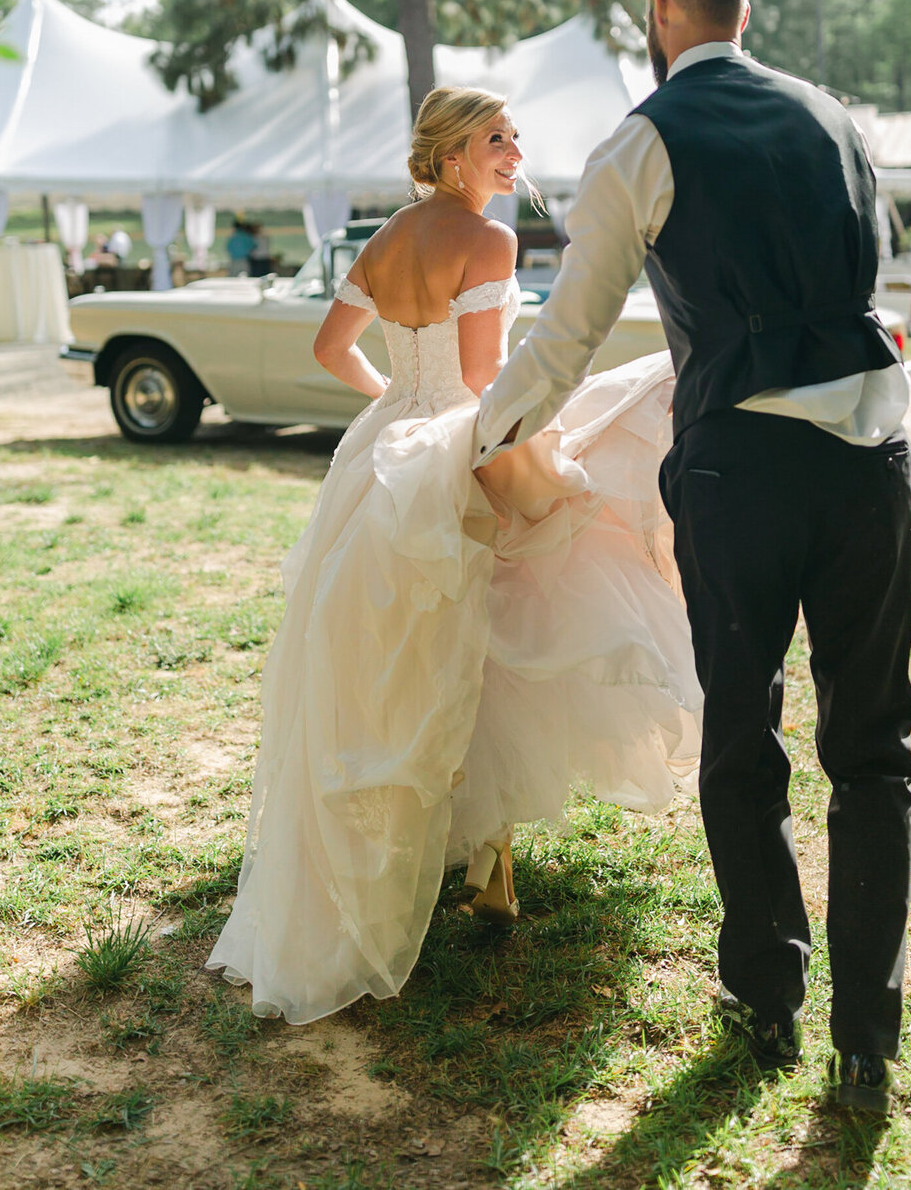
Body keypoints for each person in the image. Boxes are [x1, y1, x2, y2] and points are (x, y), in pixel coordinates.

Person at [476, 0, 911, 1115]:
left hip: (739, 470)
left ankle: (766, 994)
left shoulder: (644, 142)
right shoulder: (839, 118)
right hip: (873, 457)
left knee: (746, 727)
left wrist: (486, 430)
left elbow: (568, 335)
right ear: (745, 4)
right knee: (874, 747)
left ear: (664, 10)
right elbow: (874, 276)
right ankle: (866, 1037)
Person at [207, 87, 701, 1024]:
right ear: (450, 156)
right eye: (494, 139)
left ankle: (481, 857)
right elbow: (484, 384)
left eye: (516, 135)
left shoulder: (390, 235)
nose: (516, 151)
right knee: (498, 632)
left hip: (381, 456)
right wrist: (504, 430)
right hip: (454, 449)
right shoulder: (491, 241)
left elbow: (329, 344)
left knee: (423, 653)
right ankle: (486, 857)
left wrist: (392, 401)